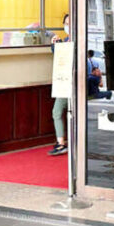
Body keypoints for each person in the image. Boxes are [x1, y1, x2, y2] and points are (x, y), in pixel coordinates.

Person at [48, 14, 70, 156]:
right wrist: (55, 46)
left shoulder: (77, 41)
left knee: (57, 111)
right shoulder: (66, 41)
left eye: (70, 23)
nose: (68, 26)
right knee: (59, 111)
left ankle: (61, 143)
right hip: (64, 81)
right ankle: (62, 142)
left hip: (70, 83)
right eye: (66, 23)